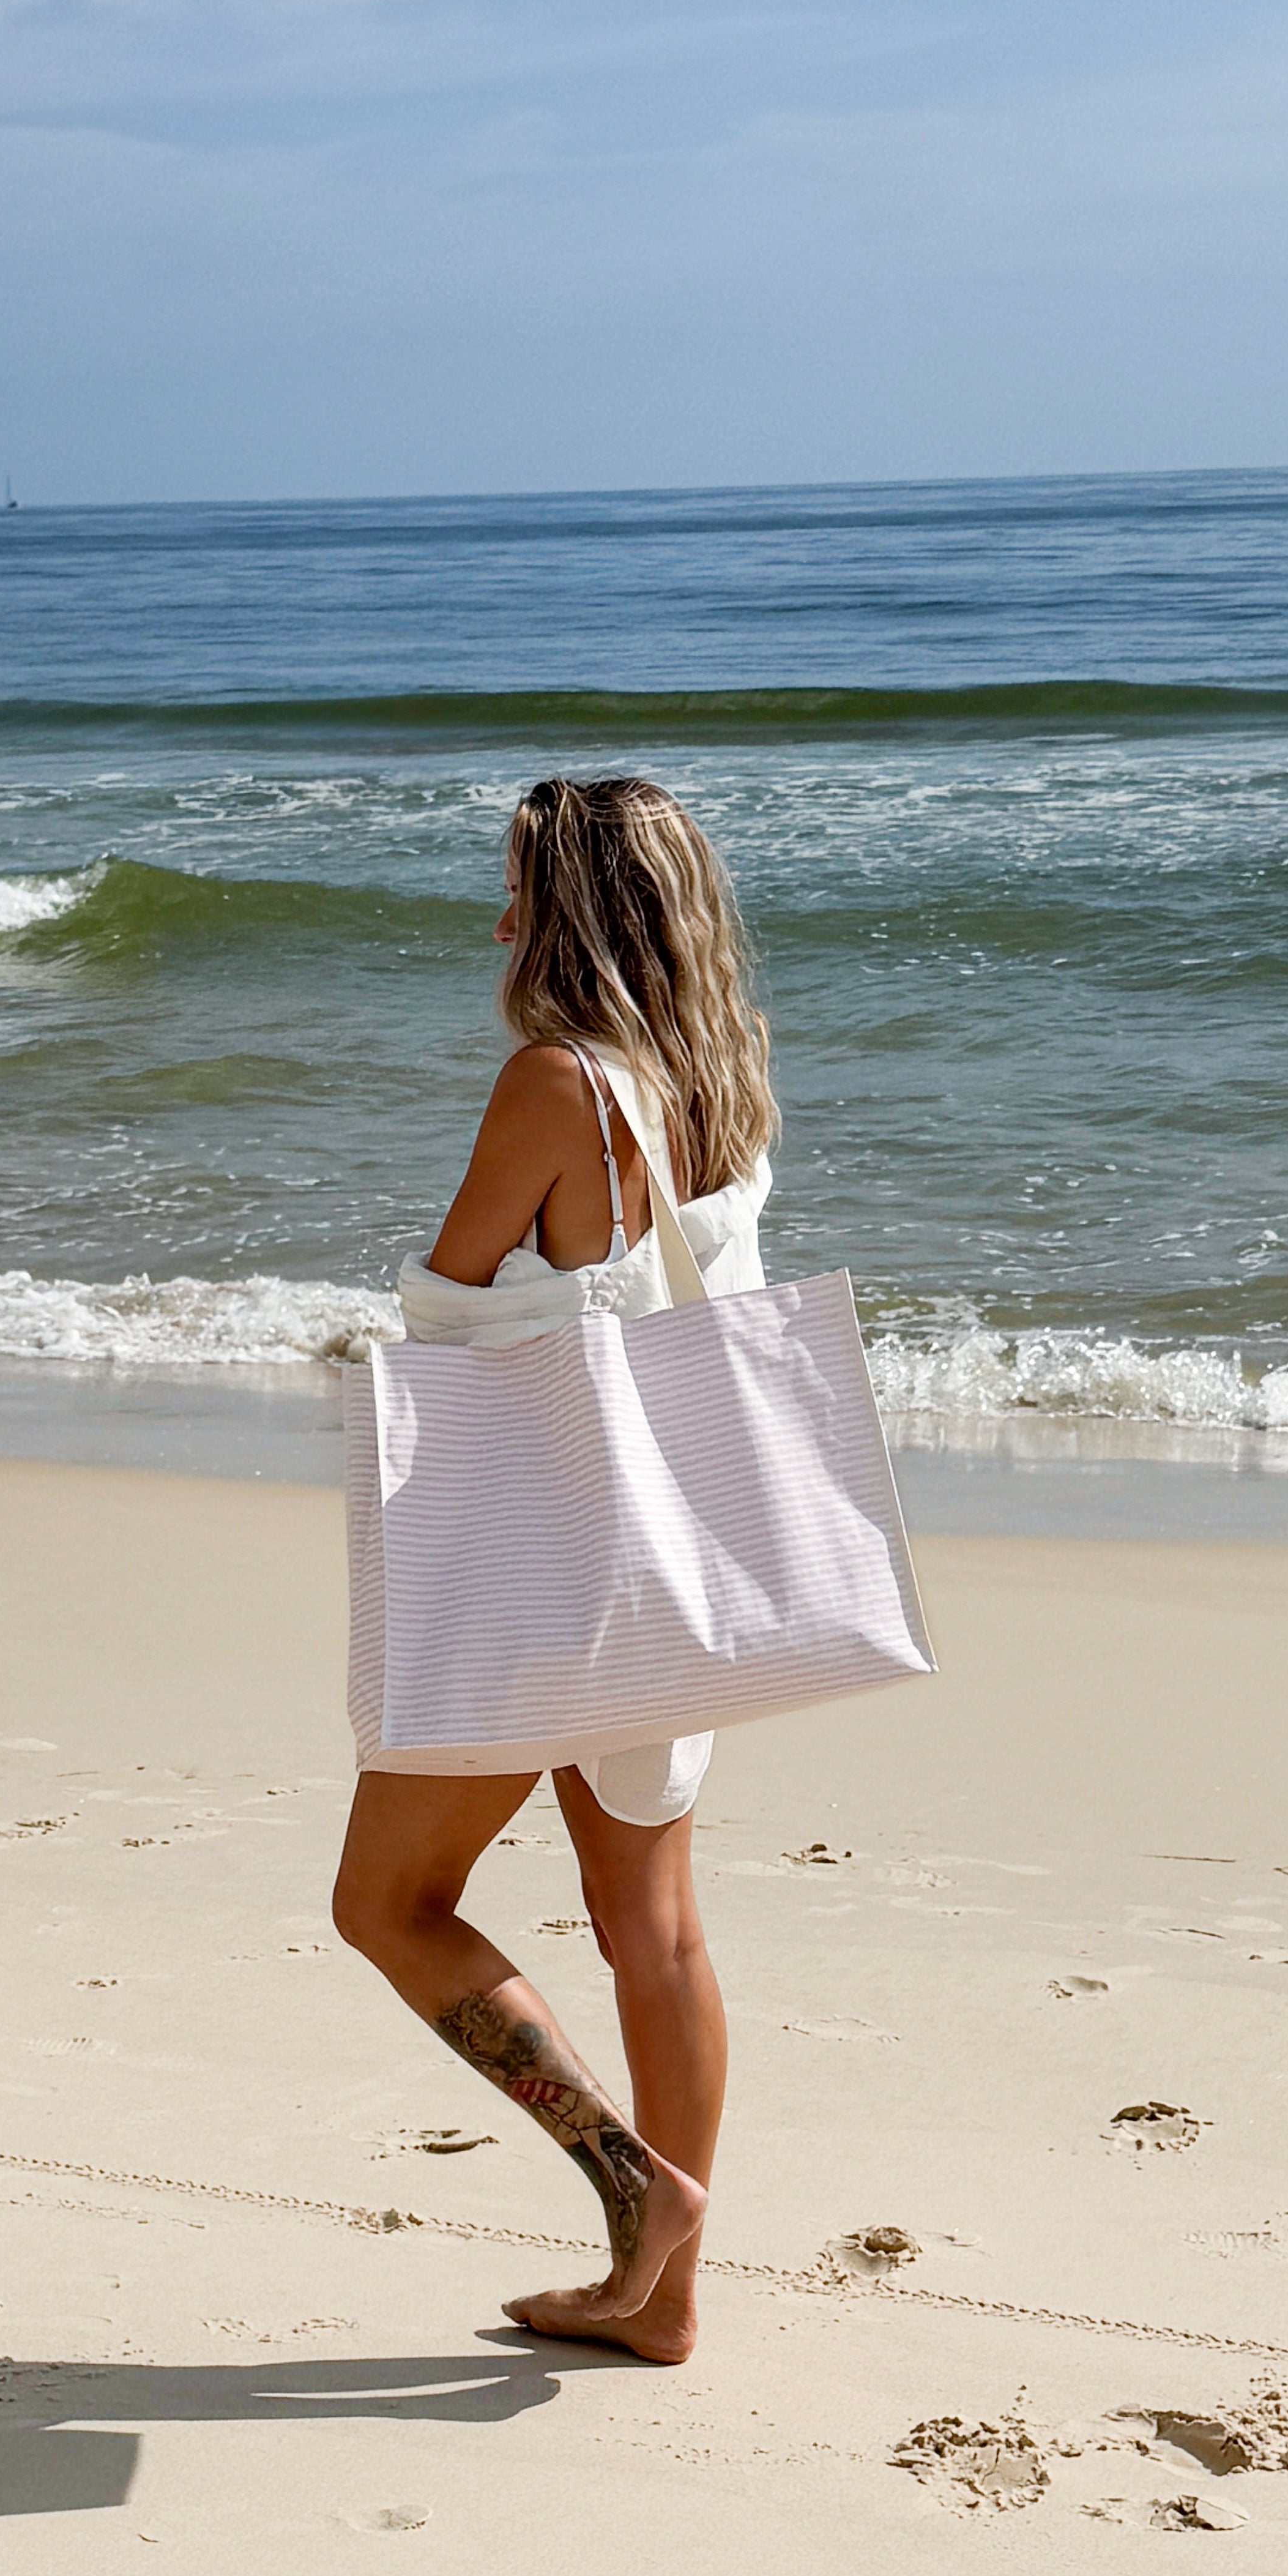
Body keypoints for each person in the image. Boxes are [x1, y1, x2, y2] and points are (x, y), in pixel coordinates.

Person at [329, 775, 779, 2365]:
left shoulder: (557, 1080)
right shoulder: (724, 1073)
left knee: (388, 1903)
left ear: (576, 910)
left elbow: (453, 1296)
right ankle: (668, 2306)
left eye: (520, 886)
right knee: (656, 1926)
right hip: (677, 1556)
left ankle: (627, 2180)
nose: (501, 916)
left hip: (547, 1564)